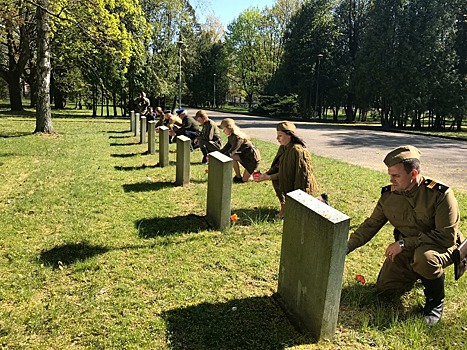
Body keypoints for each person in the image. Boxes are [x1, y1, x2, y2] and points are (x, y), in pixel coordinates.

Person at [346, 145, 464, 326]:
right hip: (409, 247)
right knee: (385, 290)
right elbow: (371, 225)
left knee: (425, 258)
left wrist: (402, 244)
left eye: (396, 176)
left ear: (414, 174)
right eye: (390, 175)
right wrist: (344, 247)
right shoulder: (389, 196)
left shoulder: (440, 194)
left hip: (441, 246)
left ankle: (435, 302)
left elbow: (445, 237)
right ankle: (418, 274)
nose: (391, 180)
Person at [254, 121, 321, 218]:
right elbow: (277, 166)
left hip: (299, 183)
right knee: (276, 180)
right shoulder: (284, 147)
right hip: (289, 180)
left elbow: (289, 174)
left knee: (303, 211)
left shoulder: (297, 151)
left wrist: (268, 177)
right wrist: (265, 174)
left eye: (280, 135)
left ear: (289, 135)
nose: (277, 138)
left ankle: (320, 201)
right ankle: (284, 208)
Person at [219, 118, 260, 183]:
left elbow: (231, 151)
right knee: (232, 157)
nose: (223, 131)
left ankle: (257, 175)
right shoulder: (231, 137)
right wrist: (215, 154)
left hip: (252, 159)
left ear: (229, 128)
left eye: (224, 129)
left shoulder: (238, 138)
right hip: (245, 156)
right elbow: (225, 149)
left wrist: (220, 159)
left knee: (245, 180)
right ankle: (238, 176)